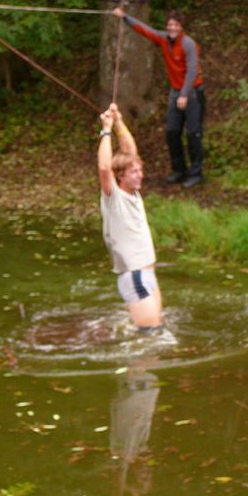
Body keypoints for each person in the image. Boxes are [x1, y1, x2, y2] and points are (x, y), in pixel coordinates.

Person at [112, 7, 205, 188]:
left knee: (193, 133)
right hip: (175, 92)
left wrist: (184, 95)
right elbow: (146, 30)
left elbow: (192, 70)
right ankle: (179, 170)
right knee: (172, 132)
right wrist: (125, 17)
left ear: (181, 27)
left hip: (192, 93)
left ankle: (196, 173)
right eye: (170, 25)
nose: (172, 28)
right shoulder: (163, 39)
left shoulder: (188, 44)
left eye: (176, 25)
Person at [98, 103, 163, 329]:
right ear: (120, 176)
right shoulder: (113, 196)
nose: (140, 175)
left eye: (140, 170)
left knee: (154, 331)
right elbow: (105, 168)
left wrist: (118, 122)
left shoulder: (133, 192)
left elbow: (130, 151)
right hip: (133, 276)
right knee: (150, 335)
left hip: (147, 273)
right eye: (134, 172)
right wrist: (105, 130)